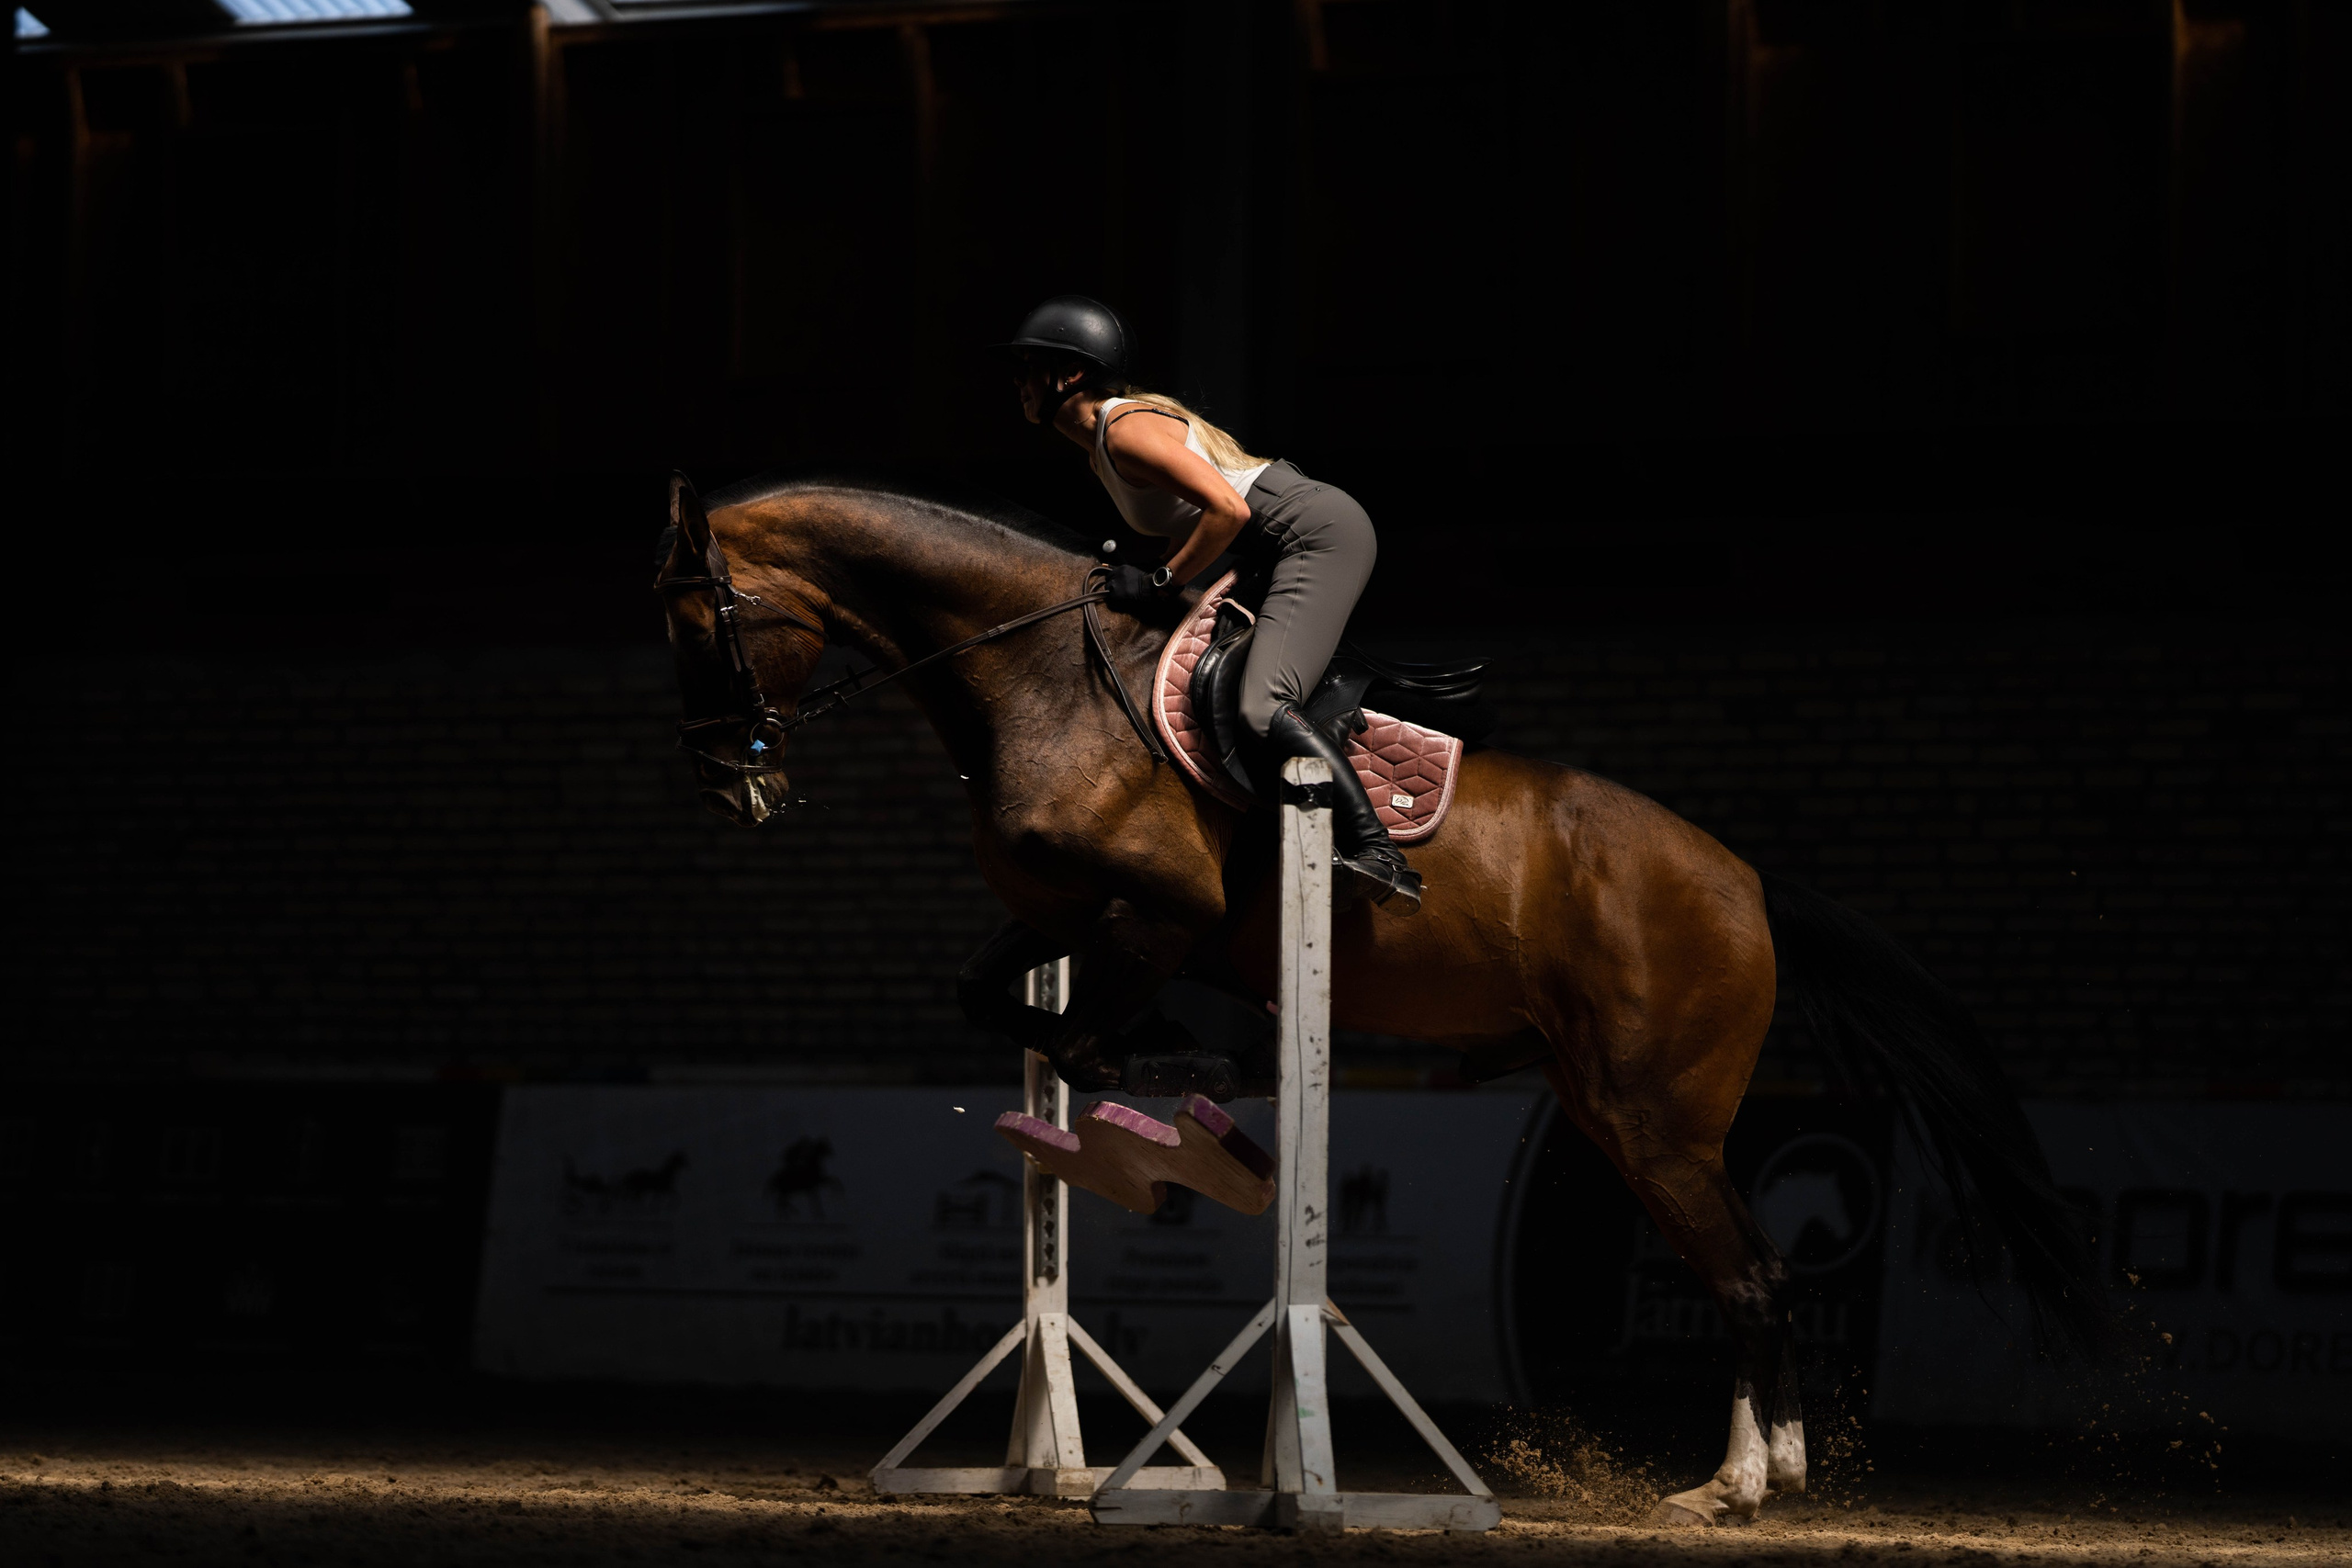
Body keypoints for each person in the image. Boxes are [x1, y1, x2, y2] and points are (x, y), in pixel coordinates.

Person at [1000, 294, 1420, 915]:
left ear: (1071, 374)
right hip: (1273, 545)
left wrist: (1163, 579)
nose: (1019, 383)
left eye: (1029, 367)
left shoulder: (1124, 431)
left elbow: (1230, 511)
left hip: (1310, 535)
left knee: (1260, 705)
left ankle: (1378, 852)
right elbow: (1193, 523)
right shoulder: (1105, 444)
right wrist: (1154, 580)